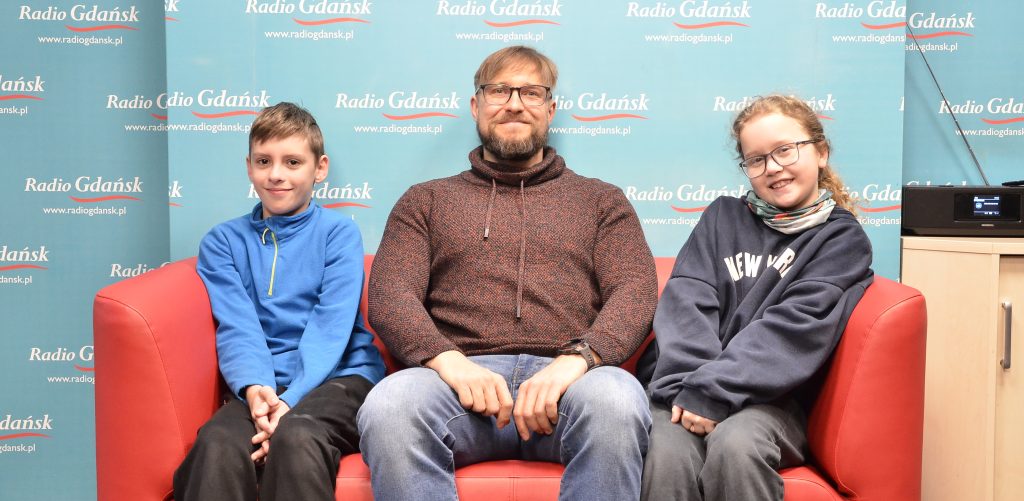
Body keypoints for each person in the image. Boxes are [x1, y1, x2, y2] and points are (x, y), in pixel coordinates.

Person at [358, 46, 658, 500]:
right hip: (456, 387)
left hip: (572, 384)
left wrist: (576, 361)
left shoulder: (602, 201)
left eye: (531, 93)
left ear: (550, 110)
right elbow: (390, 295)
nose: (514, 104)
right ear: (476, 105)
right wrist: (450, 363)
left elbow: (635, 291)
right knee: (390, 405)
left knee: (617, 400)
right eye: (499, 91)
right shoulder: (426, 200)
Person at [638, 94, 874, 501]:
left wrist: (714, 390)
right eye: (757, 159)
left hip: (772, 403)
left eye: (785, 150)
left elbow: (794, 330)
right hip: (686, 387)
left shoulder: (841, 241)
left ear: (820, 152)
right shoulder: (722, 217)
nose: (773, 168)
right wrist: (692, 390)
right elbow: (687, 300)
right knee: (666, 452)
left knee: (737, 445)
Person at [173, 102, 385, 501]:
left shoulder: (338, 233)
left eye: (292, 162)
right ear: (249, 167)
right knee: (216, 445)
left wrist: (290, 402)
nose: (275, 174)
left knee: (296, 434)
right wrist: (257, 392)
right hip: (264, 385)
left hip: (340, 378)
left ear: (319, 169)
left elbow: (330, 327)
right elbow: (238, 326)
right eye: (263, 161)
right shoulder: (223, 242)